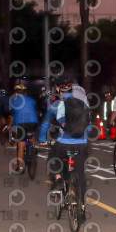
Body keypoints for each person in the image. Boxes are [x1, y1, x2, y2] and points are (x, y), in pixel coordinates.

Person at [38, 75, 89, 218]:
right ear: (72, 89)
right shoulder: (83, 104)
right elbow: (89, 126)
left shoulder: (55, 105)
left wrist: (42, 139)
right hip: (82, 144)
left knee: (53, 157)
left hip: (64, 143)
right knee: (80, 175)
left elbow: (46, 124)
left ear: (57, 90)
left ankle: (59, 178)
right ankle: (82, 207)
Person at [9, 81, 39, 172]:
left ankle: (20, 167)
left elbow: (12, 116)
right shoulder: (33, 100)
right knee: (31, 134)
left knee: (21, 144)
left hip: (20, 124)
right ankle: (34, 147)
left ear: (16, 93)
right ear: (25, 93)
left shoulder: (13, 101)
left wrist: (10, 126)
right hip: (33, 122)